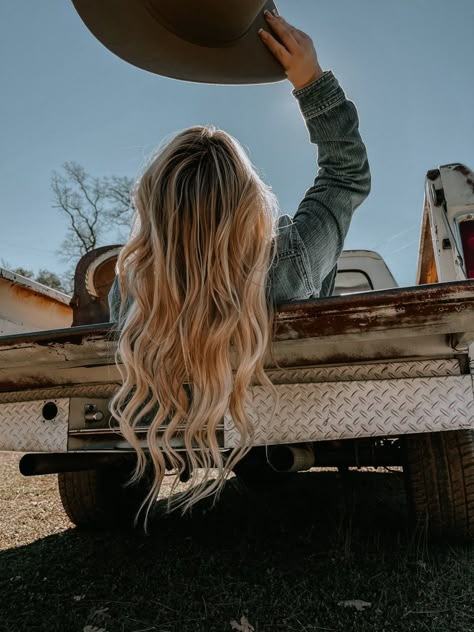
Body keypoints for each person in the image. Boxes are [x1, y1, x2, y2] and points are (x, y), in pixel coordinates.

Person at [108, 11, 371, 530]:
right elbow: (346, 175)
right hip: (275, 413)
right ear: (250, 202)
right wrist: (311, 80)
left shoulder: (130, 290)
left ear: (155, 208)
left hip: (177, 420)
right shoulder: (287, 262)